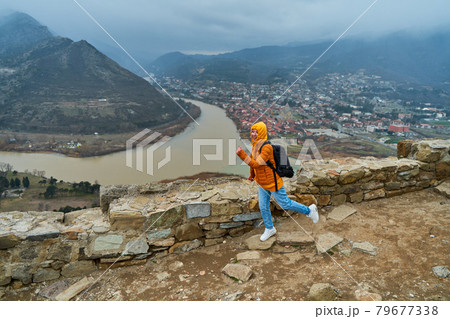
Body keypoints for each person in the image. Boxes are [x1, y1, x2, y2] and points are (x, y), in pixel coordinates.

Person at [236, 121, 319, 241]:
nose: (253, 134)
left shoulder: (267, 147)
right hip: (262, 183)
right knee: (263, 206)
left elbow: (257, 164)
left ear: (262, 133)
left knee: (285, 204)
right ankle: (270, 229)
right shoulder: (255, 146)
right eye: (252, 131)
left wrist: (242, 155)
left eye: (256, 132)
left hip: (273, 183)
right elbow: (253, 165)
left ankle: (309, 211)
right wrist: (252, 175)